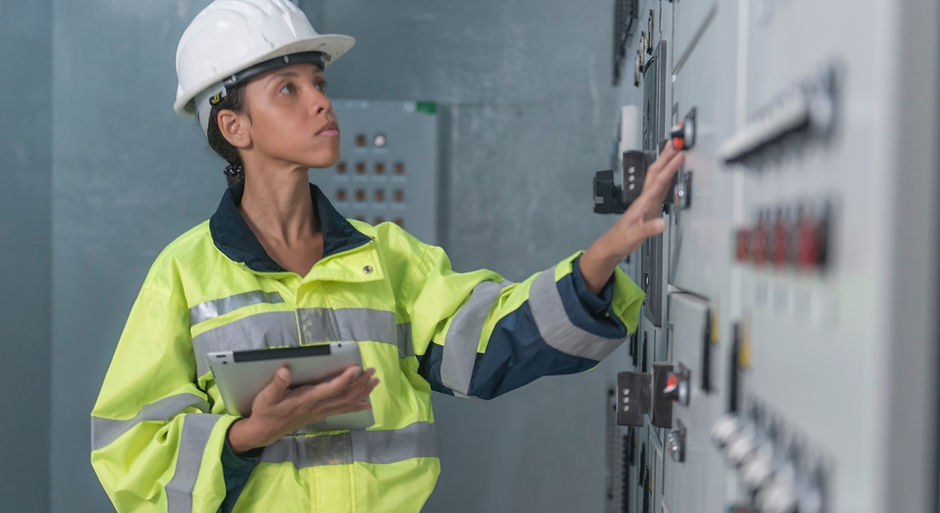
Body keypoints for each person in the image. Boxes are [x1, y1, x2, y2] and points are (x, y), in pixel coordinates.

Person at [89, 1, 685, 512]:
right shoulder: (182, 275)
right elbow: (132, 458)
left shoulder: (389, 260)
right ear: (234, 125)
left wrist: (605, 253)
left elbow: (498, 344)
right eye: (288, 89)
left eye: (319, 83)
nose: (321, 103)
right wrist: (247, 436)